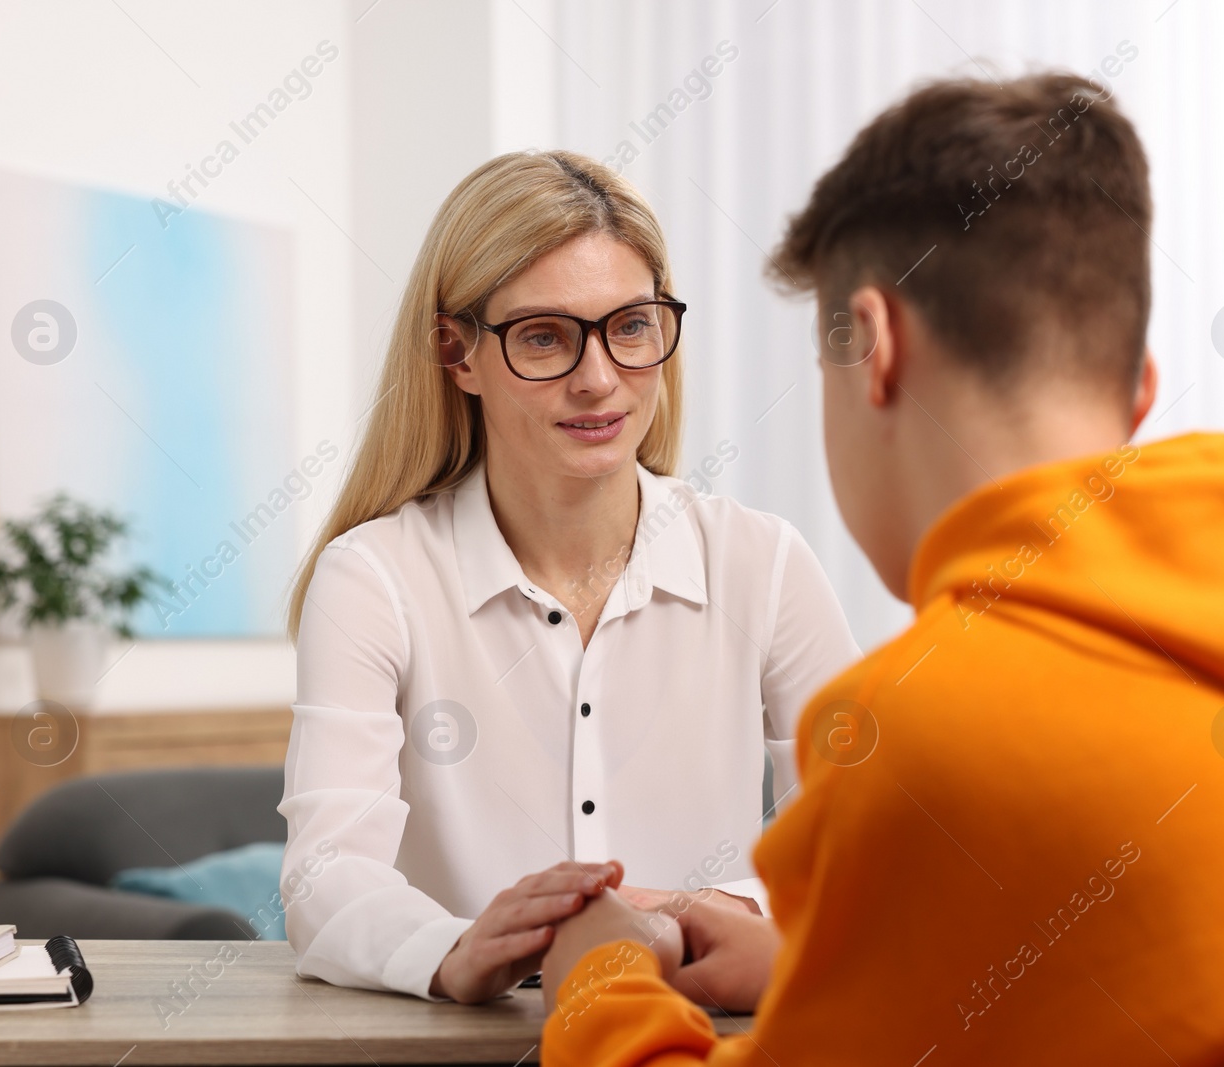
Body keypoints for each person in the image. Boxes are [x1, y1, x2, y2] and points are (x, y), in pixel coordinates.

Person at [537, 73, 1224, 1064]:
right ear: (1137, 392)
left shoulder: (923, 729)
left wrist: (600, 976)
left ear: (875, 349)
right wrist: (828, 955)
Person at [278, 150, 859, 1004]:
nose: (598, 379)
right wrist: (456, 949)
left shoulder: (763, 564)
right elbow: (322, 877)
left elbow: (866, 843)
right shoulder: (374, 578)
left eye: (630, 326)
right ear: (457, 353)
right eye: (544, 336)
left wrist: (695, 914)